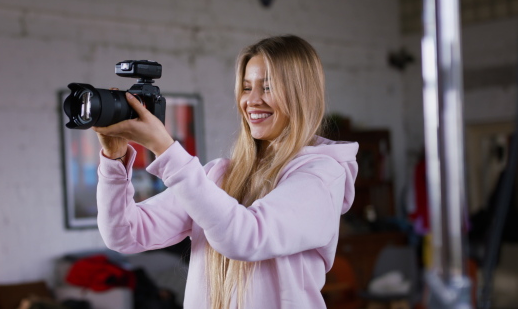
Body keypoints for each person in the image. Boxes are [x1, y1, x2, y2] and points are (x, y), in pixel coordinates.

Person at [92, 35, 359, 309]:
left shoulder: (321, 177)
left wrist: (165, 148)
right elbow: (124, 234)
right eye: (246, 88)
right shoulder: (217, 177)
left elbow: (246, 237)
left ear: (301, 94)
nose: (252, 101)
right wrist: (114, 159)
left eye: (267, 87)